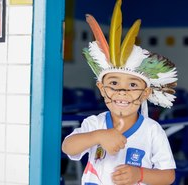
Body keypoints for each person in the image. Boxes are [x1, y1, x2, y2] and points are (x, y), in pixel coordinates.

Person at [62, 0, 178, 184]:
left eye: (132, 85)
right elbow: (68, 147)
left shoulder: (152, 131)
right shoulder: (94, 123)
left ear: (146, 93)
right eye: (114, 83)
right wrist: (98, 135)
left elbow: (168, 176)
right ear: (101, 88)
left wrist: (139, 174)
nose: (122, 92)